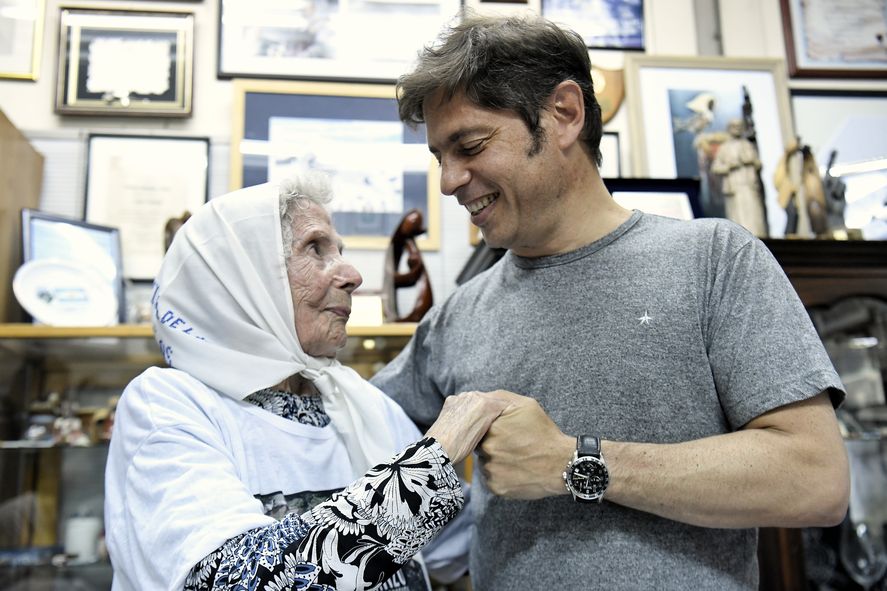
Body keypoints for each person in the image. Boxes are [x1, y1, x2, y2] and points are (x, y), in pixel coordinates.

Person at [371, 13, 850, 590]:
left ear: (564, 114)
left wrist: (575, 463)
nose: (448, 181)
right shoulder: (459, 314)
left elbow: (816, 480)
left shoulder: (713, 260)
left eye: (469, 145)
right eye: (438, 157)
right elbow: (352, 430)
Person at [104, 172, 506, 591]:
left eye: (341, 251)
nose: (352, 274)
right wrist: (435, 458)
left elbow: (457, 547)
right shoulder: (169, 404)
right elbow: (232, 580)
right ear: (243, 280)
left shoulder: (359, 400)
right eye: (315, 248)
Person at [710, 118, 768, 237]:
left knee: (753, 213)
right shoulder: (724, 148)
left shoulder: (747, 145)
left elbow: (758, 164)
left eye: (739, 126)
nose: (737, 129)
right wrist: (729, 166)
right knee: (738, 214)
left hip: (749, 184)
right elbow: (716, 167)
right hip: (734, 187)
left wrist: (750, 160)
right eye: (734, 126)